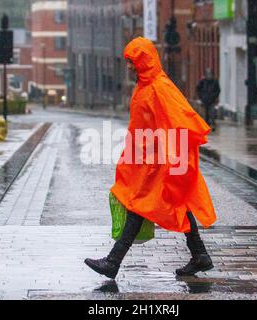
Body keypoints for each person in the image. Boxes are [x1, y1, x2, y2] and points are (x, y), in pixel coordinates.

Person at [85, 37, 217, 279]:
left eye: (132, 62)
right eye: (127, 62)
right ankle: (199, 255)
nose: (128, 67)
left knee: (140, 205)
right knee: (170, 203)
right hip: (147, 159)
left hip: (158, 162)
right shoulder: (145, 86)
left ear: (143, 61)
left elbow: (179, 119)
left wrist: (173, 158)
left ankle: (113, 262)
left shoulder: (159, 87)